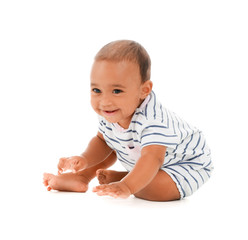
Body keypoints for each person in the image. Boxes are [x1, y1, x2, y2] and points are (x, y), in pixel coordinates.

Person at [43, 40, 214, 201]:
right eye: (97, 90)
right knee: (110, 144)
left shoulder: (153, 121)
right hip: (144, 160)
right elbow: (102, 141)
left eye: (116, 91)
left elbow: (152, 159)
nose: (105, 101)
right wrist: (84, 158)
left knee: (158, 190)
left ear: (144, 90)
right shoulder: (112, 110)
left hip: (185, 165)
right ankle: (81, 176)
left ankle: (125, 178)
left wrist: (127, 186)